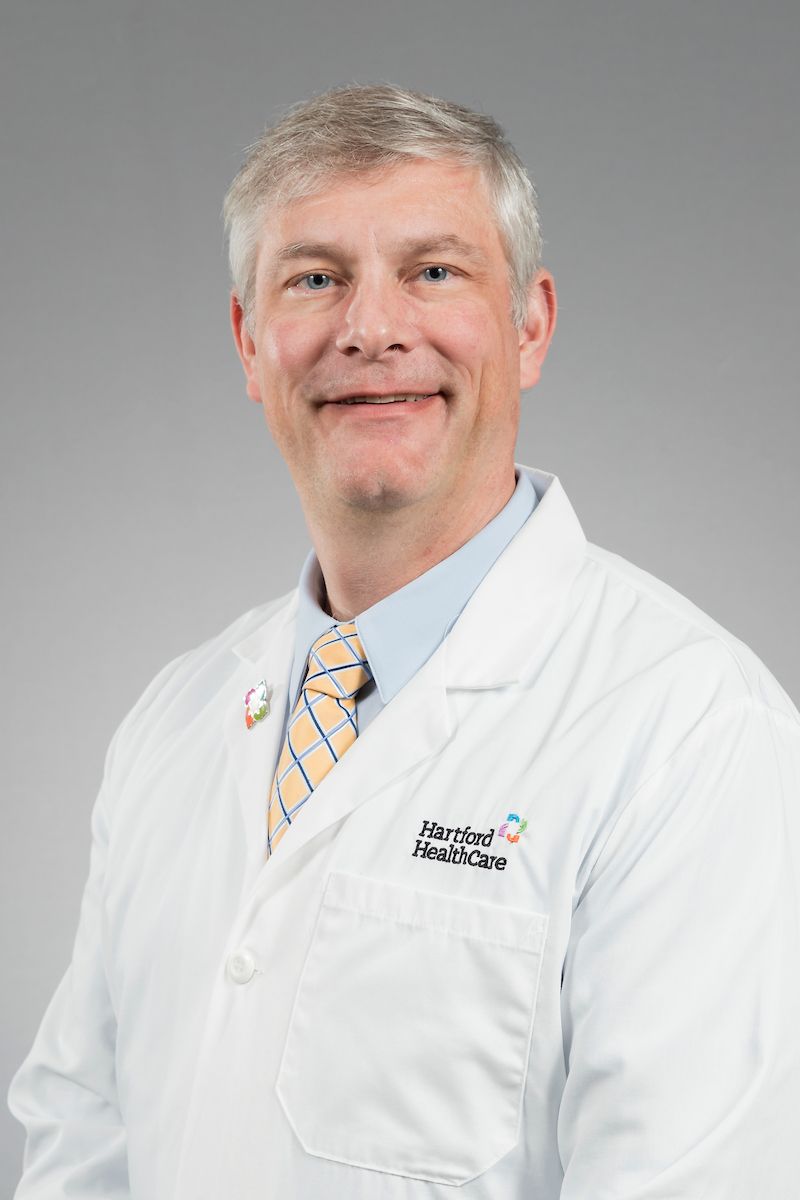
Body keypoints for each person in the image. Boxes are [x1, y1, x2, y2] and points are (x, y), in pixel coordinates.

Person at [8, 82, 800, 1199]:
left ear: (529, 325)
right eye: (314, 278)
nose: (370, 329)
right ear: (248, 342)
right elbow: (80, 1141)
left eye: (433, 272)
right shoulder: (172, 721)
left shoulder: (689, 734)